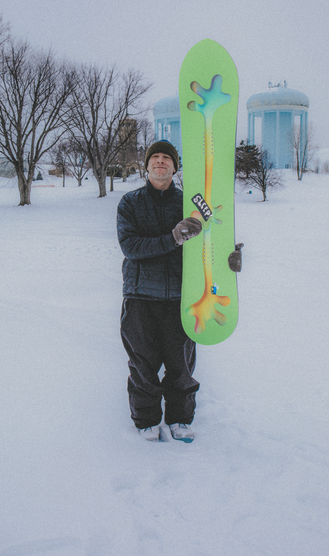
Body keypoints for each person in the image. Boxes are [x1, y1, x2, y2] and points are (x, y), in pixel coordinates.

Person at [116, 140, 202, 443]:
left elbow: (208, 245)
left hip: (181, 297)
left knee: (181, 365)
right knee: (143, 364)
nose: (161, 161)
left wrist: (228, 261)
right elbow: (131, 246)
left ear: (175, 167)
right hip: (140, 295)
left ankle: (179, 419)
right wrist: (172, 238)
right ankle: (147, 420)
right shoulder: (130, 202)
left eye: (167, 158)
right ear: (147, 165)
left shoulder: (190, 204)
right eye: (155, 157)